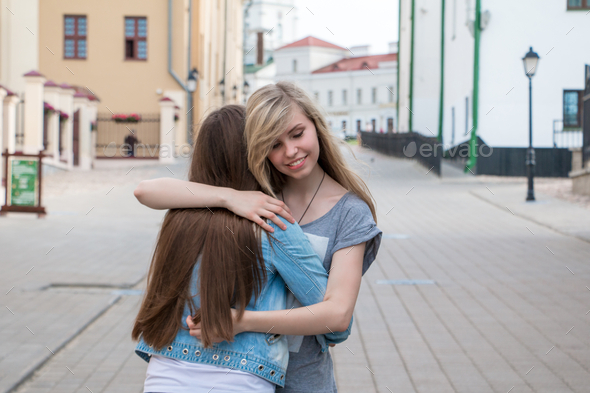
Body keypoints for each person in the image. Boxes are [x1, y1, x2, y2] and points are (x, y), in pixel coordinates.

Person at [134, 81, 382, 393]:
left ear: (316, 126)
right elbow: (146, 191)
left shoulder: (349, 213)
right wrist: (230, 197)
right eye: (273, 145)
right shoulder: (257, 197)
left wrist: (242, 321)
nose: (290, 151)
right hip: (243, 374)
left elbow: (337, 316)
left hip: (302, 380)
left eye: (297, 134)